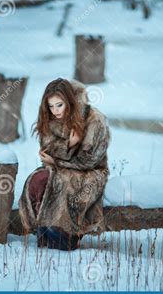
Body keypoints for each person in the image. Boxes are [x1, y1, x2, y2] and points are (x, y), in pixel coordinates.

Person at [18, 77, 111, 251]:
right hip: (59, 168)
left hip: (90, 171)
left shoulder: (94, 119)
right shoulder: (49, 119)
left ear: (69, 101)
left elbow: (90, 160)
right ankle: (44, 232)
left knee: (64, 184)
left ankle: (63, 238)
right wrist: (67, 145)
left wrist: (58, 160)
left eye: (59, 105)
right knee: (38, 179)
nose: (55, 111)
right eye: (51, 106)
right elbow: (47, 151)